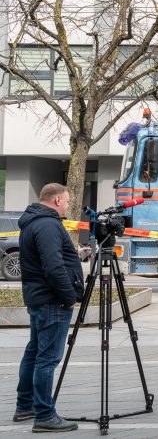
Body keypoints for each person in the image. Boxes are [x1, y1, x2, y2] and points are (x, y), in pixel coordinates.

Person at [14, 183, 84, 433]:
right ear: (56, 200)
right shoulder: (48, 224)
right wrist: (68, 297)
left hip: (39, 297)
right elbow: (53, 267)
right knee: (47, 358)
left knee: (34, 352)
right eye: (66, 201)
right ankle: (44, 415)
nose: (67, 206)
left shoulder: (34, 222)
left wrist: (73, 254)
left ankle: (25, 406)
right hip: (51, 300)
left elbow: (50, 258)